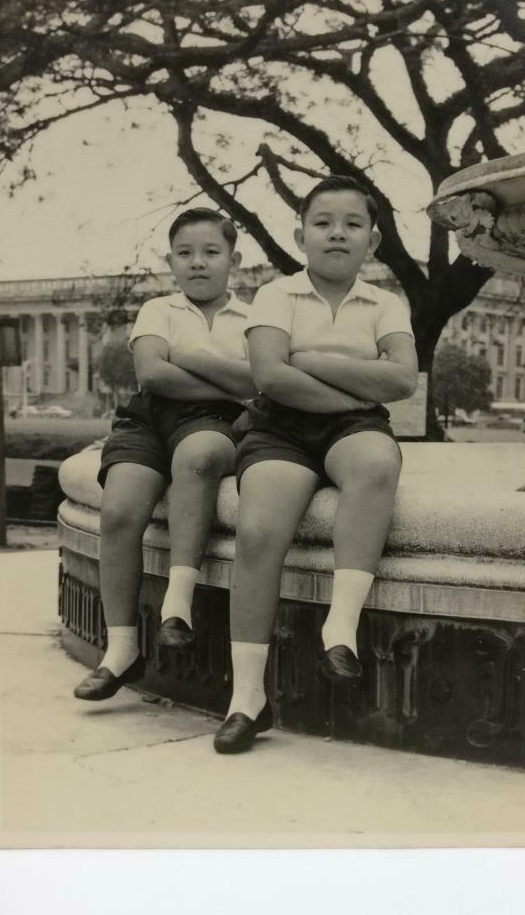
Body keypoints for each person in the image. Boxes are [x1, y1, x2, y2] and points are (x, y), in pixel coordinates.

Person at [213, 175, 418, 753]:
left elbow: (402, 378)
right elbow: (270, 376)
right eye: (323, 223)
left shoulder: (386, 303)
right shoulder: (276, 296)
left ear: (372, 242)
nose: (337, 234)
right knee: (257, 532)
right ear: (301, 234)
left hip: (353, 431)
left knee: (376, 465)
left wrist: (311, 357)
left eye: (353, 225)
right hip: (281, 426)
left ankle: (341, 628)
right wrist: (357, 389)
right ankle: (247, 699)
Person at [74, 208, 255, 701]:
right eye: (185, 254)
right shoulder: (158, 310)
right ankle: (122, 650)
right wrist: (229, 375)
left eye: (211, 253)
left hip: (214, 421)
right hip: (149, 418)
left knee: (197, 460)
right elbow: (151, 375)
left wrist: (188, 358)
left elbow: (259, 382)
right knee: (117, 512)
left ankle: (178, 605)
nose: (198, 263)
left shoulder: (255, 318)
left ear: (232, 259)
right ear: (170, 261)